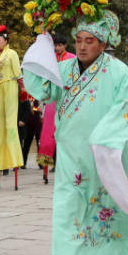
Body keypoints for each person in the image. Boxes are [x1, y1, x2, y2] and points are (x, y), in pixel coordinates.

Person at [22, 11, 128, 255]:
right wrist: (41, 44)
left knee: (113, 209)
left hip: (109, 154)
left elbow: (127, 106)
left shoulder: (118, 71)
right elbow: (42, 89)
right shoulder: (65, 70)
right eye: (78, 40)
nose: (81, 46)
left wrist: (105, 138)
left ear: (102, 44)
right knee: (68, 209)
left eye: (89, 41)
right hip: (71, 155)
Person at [37, 33, 75, 183]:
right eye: (56, 45)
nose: (57, 48)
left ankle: (69, 166)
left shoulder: (72, 58)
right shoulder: (50, 59)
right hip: (52, 98)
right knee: (48, 132)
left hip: (67, 97)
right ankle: (46, 166)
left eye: (60, 45)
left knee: (67, 133)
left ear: (65, 45)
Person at [0, 25, 25, 190]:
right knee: (0, 125)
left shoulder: (12, 54)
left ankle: (15, 159)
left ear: (5, 41)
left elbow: (18, 74)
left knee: (11, 124)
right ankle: (0, 161)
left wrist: (24, 89)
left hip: (10, 86)